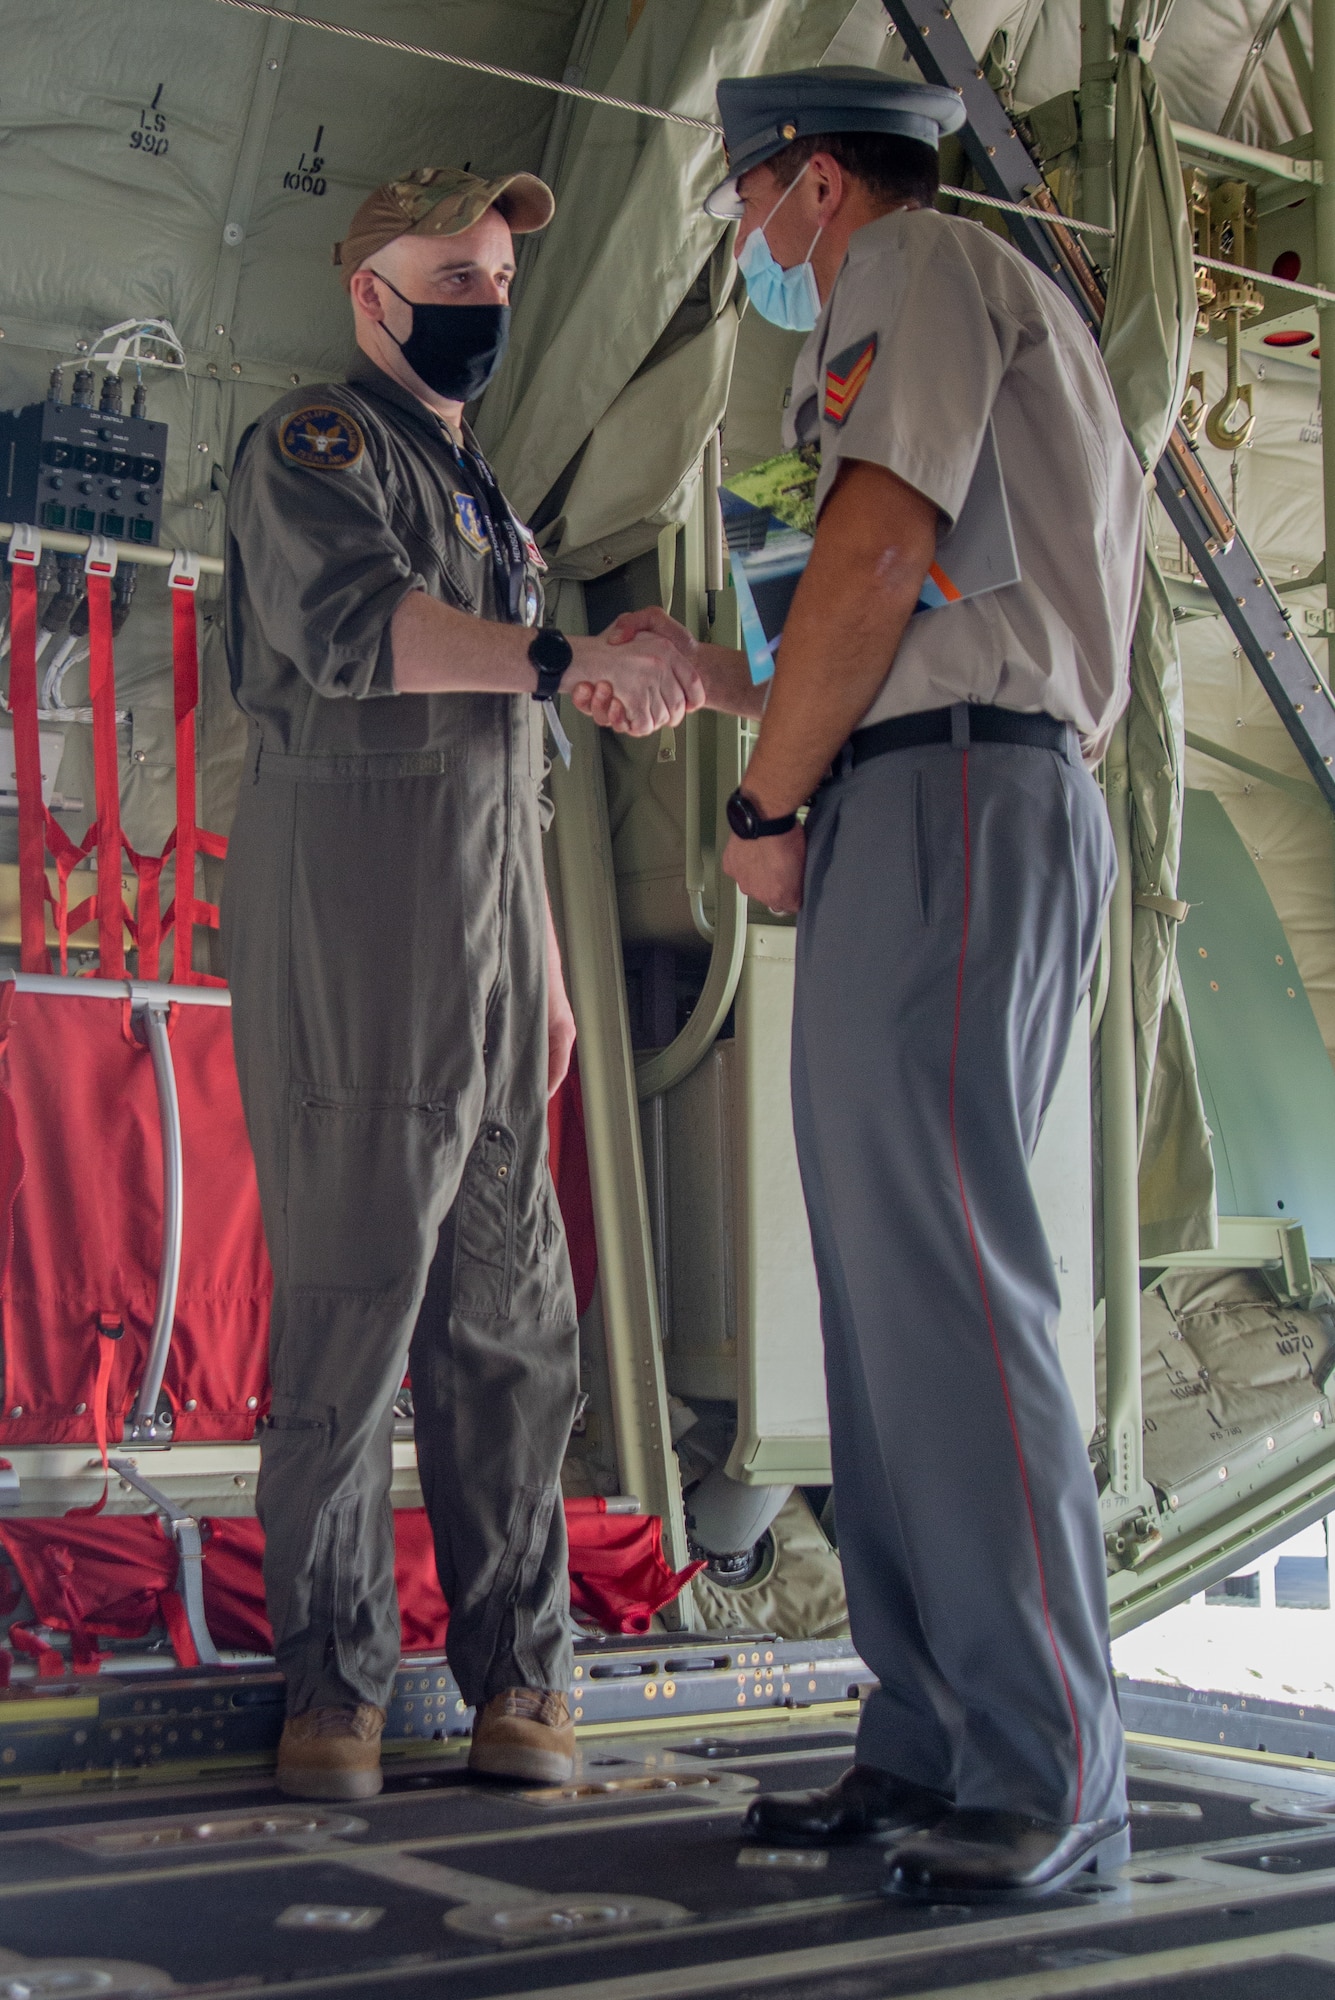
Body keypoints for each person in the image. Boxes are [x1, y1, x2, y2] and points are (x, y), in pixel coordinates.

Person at [598, 69, 1144, 1901]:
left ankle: (1049, 1759)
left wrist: (761, 800)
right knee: (888, 1307)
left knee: (956, 1295)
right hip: (924, 785)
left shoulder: (908, 261)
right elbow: (904, 615)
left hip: (959, 801)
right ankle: (927, 1742)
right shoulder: (945, 284)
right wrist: (734, 688)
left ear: (815, 183)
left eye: (753, 213)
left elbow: (883, 555)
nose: (757, 250)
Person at [221, 164, 703, 1802]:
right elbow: (363, 635)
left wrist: (551, 966)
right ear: (370, 292)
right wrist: (572, 655)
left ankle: (521, 1686)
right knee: (356, 1318)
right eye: (451, 271)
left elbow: (524, 767)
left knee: (512, 1332)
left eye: (500, 275)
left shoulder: (487, 497)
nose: (484, 300)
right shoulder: (318, 447)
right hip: (360, 934)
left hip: (496, 948)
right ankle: (334, 1696)